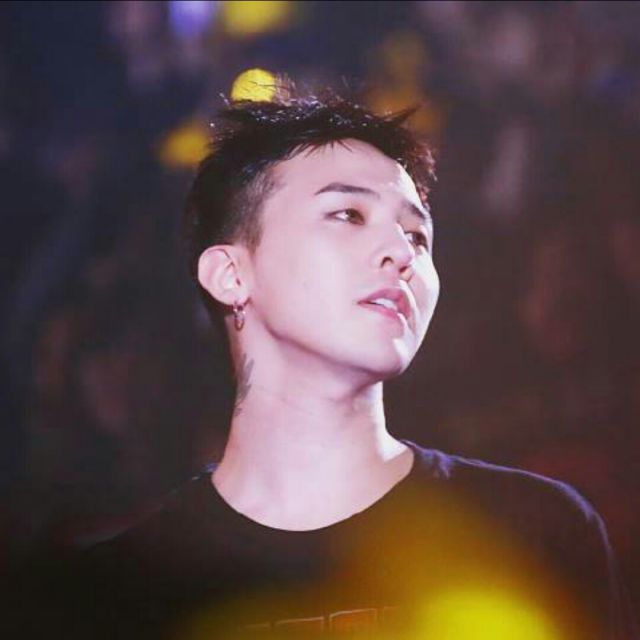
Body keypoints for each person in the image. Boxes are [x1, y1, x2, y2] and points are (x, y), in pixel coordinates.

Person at [12, 88, 637, 640]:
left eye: (418, 236)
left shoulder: (534, 531)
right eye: (348, 214)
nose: (401, 252)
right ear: (230, 274)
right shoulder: (115, 592)